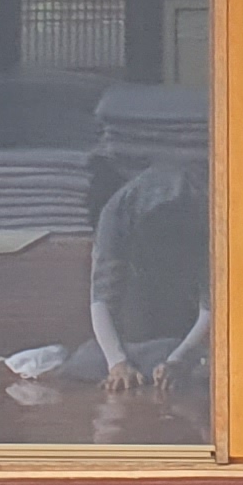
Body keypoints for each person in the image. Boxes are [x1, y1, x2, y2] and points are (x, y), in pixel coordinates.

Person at [85, 147, 212, 397]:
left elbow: (214, 303)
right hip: (137, 313)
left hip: (188, 306)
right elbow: (101, 298)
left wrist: (178, 360)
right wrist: (117, 363)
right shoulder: (116, 216)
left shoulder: (207, 216)